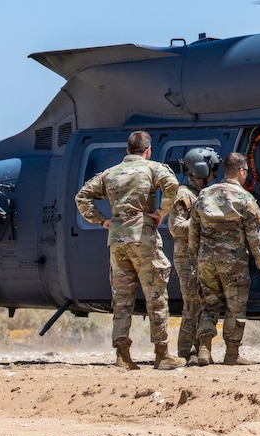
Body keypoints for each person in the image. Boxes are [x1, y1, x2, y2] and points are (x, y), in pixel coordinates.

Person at [75, 130, 185, 371]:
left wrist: (103, 220)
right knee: (155, 295)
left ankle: (122, 355)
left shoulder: (109, 174)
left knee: (122, 298)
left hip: (117, 241)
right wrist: (160, 214)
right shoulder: (153, 168)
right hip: (143, 238)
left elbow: (82, 197)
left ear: (127, 151)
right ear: (148, 150)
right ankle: (162, 353)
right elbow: (172, 186)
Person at [190, 152, 260, 366]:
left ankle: (204, 350)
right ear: (241, 171)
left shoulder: (205, 195)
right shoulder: (245, 199)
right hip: (233, 263)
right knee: (235, 307)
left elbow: (193, 230)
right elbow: (254, 234)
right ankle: (232, 354)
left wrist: (195, 256)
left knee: (209, 304)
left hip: (206, 260)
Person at [168, 147, 221, 362]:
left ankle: (199, 349)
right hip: (188, 260)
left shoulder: (200, 194)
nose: (215, 174)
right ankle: (185, 352)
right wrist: (201, 222)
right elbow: (176, 227)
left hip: (199, 259)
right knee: (192, 306)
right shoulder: (184, 195)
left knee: (201, 304)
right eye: (212, 169)